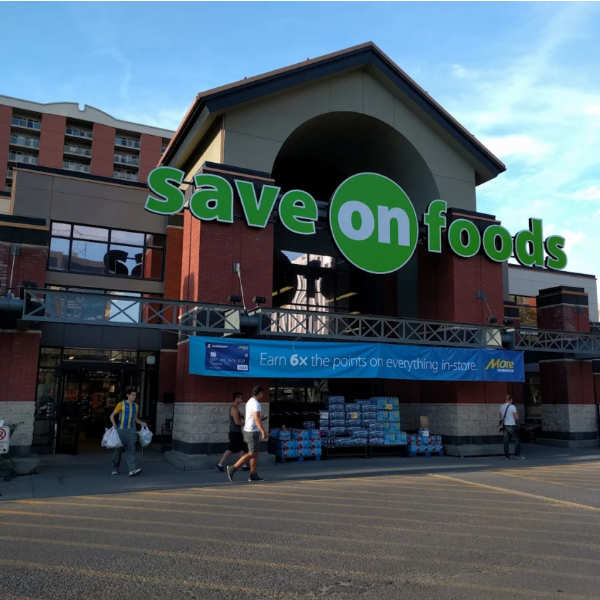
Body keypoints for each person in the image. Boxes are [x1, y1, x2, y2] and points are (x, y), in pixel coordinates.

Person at [226, 385, 268, 483]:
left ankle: (253, 474)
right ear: (259, 393)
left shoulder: (250, 401)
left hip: (249, 430)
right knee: (252, 453)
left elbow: (252, 417)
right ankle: (233, 468)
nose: (263, 395)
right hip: (252, 432)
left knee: (255, 453)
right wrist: (263, 431)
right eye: (262, 393)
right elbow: (256, 418)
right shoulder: (256, 404)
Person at [110, 387, 147, 476]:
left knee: (131, 450)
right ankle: (115, 468)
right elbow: (111, 416)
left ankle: (132, 470)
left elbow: (135, 419)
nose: (134, 397)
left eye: (135, 395)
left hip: (131, 431)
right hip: (121, 430)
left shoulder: (136, 406)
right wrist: (114, 424)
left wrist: (142, 423)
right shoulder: (121, 404)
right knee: (118, 451)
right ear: (127, 395)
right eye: (132, 395)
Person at [216, 392, 250, 472]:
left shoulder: (236, 408)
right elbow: (237, 422)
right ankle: (220, 464)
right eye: (240, 398)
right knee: (234, 448)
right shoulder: (234, 409)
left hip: (236, 432)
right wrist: (245, 423)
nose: (242, 400)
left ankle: (244, 465)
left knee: (239, 448)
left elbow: (243, 417)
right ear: (236, 399)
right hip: (235, 433)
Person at [499, 394, 524, 460]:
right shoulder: (512, 406)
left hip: (505, 425)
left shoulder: (501, 406)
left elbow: (500, 416)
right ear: (511, 400)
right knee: (517, 440)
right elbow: (516, 417)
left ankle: (507, 456)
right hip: (512, 425)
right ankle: (517, 455)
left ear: (505, 400)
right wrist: (518, 422)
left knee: (506, 441)